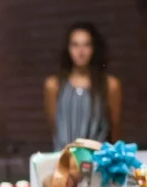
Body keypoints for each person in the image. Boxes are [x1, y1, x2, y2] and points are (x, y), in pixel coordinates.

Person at [44, 22, 122, 151]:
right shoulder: (54, 85)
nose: (80, 51)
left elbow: (115, 130)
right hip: (63, 162)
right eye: (75, 45)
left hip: (97, 162)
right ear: (68, 48)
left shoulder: (109, 85)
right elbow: (55, 127)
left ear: (94, 48)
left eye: (86, 45)